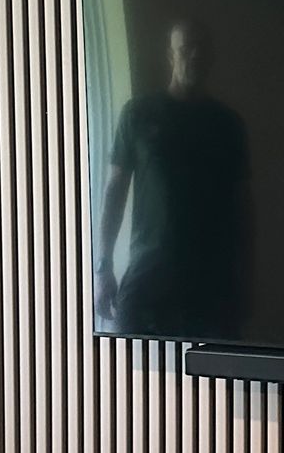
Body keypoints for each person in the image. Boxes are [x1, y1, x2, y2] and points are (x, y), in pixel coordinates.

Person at [95, 19, 252, 338]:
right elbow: (114, 192)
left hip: (212, 286)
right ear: (171, 56)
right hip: (147, 277)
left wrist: (247, 277)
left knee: (215, 385)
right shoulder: (138, 114)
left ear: (211, 57)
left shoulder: (227, 124)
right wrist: (103, 268)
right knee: (131, 376)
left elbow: (243, 206)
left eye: (201, 50)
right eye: (185, 49)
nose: (193, 56)